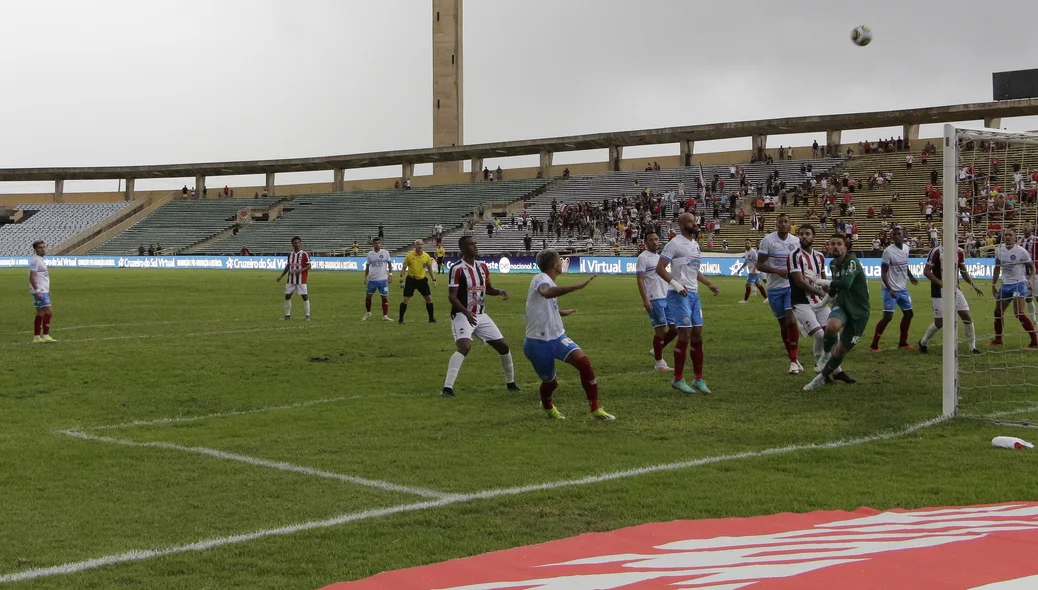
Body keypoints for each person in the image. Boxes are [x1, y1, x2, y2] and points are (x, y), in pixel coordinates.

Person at [523, 250, 614, 420]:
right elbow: (546, 292)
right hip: (537, 343)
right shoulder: (540, 278)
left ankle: (595, 409)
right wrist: (577, 287)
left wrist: (562, 312)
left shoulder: (548, 280)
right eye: (560, 260)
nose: (563, 263)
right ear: (554, 265)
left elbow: (545, 306)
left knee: (584, 363)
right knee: (551, 383)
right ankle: (547, 406)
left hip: (557, 337)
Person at [442, 236, 520, 398]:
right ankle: (447, 388)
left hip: (481, 315)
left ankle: (511, 383)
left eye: (475, 243)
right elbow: (452, 297)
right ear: (463, 249)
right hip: (462, 315)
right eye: (471, 244)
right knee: (464, 347)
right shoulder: (457, 269)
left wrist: (498, 291)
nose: (475, 246)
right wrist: (466, 313)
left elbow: (488, 289)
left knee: (503, 347)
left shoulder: (482, 267)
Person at [655, 212, 720, 394]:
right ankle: (678, 379)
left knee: (697, 334)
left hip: (693, 295)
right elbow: (660, 268)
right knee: (684, 335)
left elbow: (694, 270)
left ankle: (698, 379)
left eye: (695, 220)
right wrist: (676, 285)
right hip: (679, 295)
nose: (695, 223)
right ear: (682, 226)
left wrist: (708, 284)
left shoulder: (695, 245)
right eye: (690, 221)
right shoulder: (674, 243)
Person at [804, 234, 869, 390]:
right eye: (832, 244)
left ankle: (818, 380)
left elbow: (846, 284)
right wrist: (822, 303)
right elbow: (834, 289)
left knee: (840, 352)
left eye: (839, 244)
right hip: (842, 305)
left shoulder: (852, 261)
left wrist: (818, 281)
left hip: (860, 312)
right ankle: (825, 355)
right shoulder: (833, 263)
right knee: (831, 326)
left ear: (845, 247)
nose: (835, 247)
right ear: (828, 246)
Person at [757, 213, 804, 374]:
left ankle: (793, 360)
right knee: (783, 323)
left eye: (786, 222)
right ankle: (794, 358)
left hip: (791, 287)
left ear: (790, 224)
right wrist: (777, 271)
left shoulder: (796, 241)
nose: (783, 224)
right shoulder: (768, 241)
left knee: (791, 320)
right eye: (780, 222)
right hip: (774, 288)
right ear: (776, 224)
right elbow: (760, 264)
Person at [918, 242, 984, 354]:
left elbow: (962, 270)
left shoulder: (959, 251)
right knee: (940, 322)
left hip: (954, 289)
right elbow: (926, 271)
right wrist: (940, 283)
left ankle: (972, 347)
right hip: (938, 290)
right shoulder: (936, 251)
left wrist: (973, 284)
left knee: (966, 315)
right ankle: (923, 342)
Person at [787, 225, 831, 372]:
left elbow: (823, 280)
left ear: (814, 236)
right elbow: (799, 281)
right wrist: (821, 294)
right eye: (801, 234)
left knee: (832, 334)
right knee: (819, 334)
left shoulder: (820, 256)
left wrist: (830, 293)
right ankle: (820, 367)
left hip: (819, 302)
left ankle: (833, 368)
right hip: (802, 302)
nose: (804, 236)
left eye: (807, 234)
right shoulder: (794, 255)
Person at [870, 227, 919, 352]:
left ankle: (903, 343)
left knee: (909, 314)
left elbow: (905, 265)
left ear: (903, 236)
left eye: (899, 234)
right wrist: (889, 288)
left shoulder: (906, 249)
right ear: (891, 237)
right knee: (887, 317)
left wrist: (911, 276)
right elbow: (884, 272)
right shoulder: (888, 252)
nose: (897, 236)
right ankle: (874, 346)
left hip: (902, 288)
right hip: (890, 289)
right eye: (894, 234)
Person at [989, 228, 1037, 348]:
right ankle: (998, 340)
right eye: (1006, 235)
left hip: (1018, 285)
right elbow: (997, 268)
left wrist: (1030, 280)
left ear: (1015, 237)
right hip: (1005, 286)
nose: (1008, 237)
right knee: (997, 312)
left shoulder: (1021, 251)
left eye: (1010, 235)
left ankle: (1035, 341)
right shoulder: (999, 250)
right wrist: (993, 284)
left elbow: (1032, 268)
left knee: (1018, 313)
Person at [636, 233, 677, 371]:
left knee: (675, 328)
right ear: (646, 242)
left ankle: (657, 349)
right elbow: (640, 279)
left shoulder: (660, 258)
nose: (654, 242)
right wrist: (645, 299)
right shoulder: (643, 257)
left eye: (656, 239)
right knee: (660, 330)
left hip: (666, 297)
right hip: (654, 298)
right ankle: (659, 363)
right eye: (651, 240)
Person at [399, 239, 436, 324]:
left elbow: (430, 269)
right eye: (418, 244)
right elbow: (404, 268)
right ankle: (401, 319)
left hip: (422, 280)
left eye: (421, 244)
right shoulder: (409, 256)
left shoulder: (426, 256)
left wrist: (433, 279)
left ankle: (431, 319)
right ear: (414, 246)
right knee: (405, 299)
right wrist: (401, 280)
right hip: (411, 280)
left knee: (428, 298)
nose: (420, 246)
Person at [276, 236, 311, 321]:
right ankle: (287, 316)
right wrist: (281, 276)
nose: (297, 244)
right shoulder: (290, 255)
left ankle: (307, 316)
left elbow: (309, 265)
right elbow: (288, 266)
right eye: (295, 243)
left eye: (298, 243)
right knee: (287, 296)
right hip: (291, 279)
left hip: (301, 279)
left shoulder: (304, 254)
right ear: (292, 244)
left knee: (304, 296)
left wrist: (301, 270)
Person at [29, 240, 56, 343]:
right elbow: (32, 277)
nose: (43, 249)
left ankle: (37, 337)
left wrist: (47, 290)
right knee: (48, 311)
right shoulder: (36, 260)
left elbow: (42, 277)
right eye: (40, 247)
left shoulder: (40, 259)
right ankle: (46, 335)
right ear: (35, 249)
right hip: (40, 291)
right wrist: (38, 290)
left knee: (40, 313)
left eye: (44, 247)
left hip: (43, 290)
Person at [362, 238, 393, 321]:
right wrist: (365, 277)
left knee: (384, 298)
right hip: (372, 279)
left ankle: (385, 315)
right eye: (376, 243)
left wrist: (390, 275)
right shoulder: (370, 254)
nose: (377, 245)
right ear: (373, 244)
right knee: (368, 297)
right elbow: (367, 266)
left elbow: (390, 264)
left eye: (379, 243)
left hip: (383, 280)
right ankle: (368, 312)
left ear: (381, 244)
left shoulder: (385, 253)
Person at [734, 239, 768, 304]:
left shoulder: (753, 252)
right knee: (758, 285)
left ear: (751, 244)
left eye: (748, 243)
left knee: (747, 285)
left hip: (753, 272)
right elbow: (746, 262)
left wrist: (754, 270)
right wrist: (740, 268)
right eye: (746, 243)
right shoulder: (746, 252)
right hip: (752, 271)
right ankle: (766, 298)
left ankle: (745, 300)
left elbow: (756, 261)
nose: (747, 244)